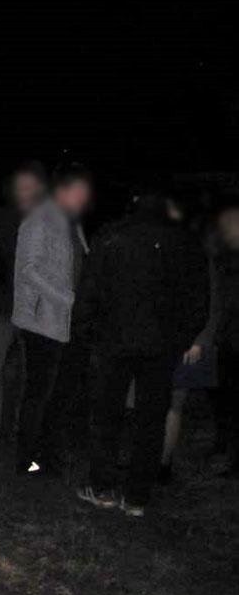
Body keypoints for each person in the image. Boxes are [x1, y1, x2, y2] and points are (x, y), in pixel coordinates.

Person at [73, 194, 209, 516]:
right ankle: (137, 496)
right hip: (159, 346)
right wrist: (181, 337)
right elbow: (199, 298)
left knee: (106, 415)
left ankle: (103, 487)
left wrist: (89, 331)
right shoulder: (184, 242)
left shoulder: (111, 236)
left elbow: (89, 290)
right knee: (151, 420)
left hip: (113, 341)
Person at [12, 163, 93, 475]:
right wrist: (65, 297)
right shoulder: (39, 219)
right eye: (79, 191)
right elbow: (28, 269)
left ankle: (48, 455)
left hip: (69, 321)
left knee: (61, 393)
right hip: (42, 322)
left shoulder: (72, 223)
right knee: (39, 393)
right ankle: (27, 458)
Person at [0, 162, 47, 436]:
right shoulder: (2, 218)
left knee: (25, 372)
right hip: (3, 305)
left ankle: (19, 424)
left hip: (28, 308)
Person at [159, 197, 218, 482]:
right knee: (155, 402)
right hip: (158, 339)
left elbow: (212, 299)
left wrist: (199, 339)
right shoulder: (161, 249)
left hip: (184, 341)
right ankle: (150, 459)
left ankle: (163, 464)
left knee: (174, 403)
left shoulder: (200, 254)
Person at [214, 199, 239, 477]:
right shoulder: (224, 258)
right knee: (226, 398)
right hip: (228, 339)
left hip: (233, 337)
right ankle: (226, 447)